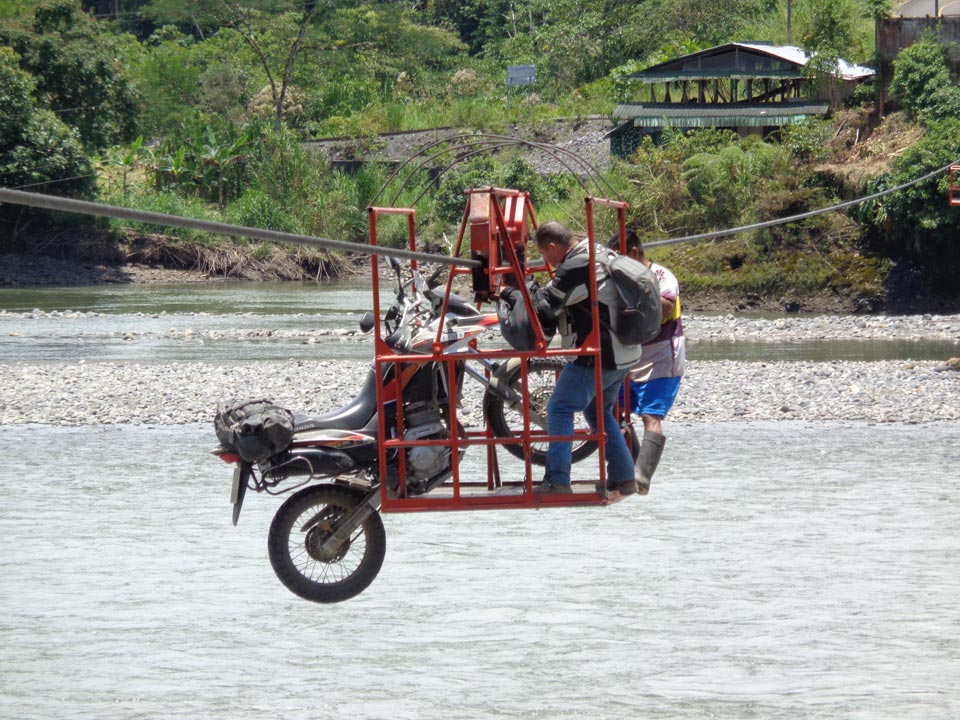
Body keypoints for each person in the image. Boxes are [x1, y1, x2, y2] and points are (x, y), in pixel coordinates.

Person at [524, 221, 642, 496]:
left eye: (544, 254)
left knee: (559, 409)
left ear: (553, 247)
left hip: (598, 356)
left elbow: (546, 308)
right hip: (624, 353)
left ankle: (557, 480)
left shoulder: (575, 266)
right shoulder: (598, 252)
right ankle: (624, 477)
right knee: (598, 412)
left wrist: (525, 288)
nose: (545, 260)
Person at [608, 229, 685, 494]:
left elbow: (665, 306)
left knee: (649, 415)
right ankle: (625, 469)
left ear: (632, 253)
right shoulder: (616, 280)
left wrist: (635, 298)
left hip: (661, 354)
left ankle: (643, 475)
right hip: (629, 354)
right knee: (612, 411)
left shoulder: (662, 276)